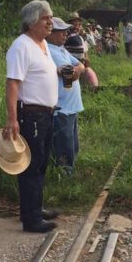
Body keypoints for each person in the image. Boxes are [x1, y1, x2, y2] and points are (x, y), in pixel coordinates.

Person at [3, 0, 60, 233]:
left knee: (41, 163)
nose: (50, 22)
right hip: (32, 115)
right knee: (31, 166)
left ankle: (35, 207)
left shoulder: (42, 45)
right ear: (32, 22)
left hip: (46, 114)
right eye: (46, 18)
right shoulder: (22, 46)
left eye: (50, 17)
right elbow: (13, 84)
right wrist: (12, 118)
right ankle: (31, 219)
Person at [47, 18, 85, 176]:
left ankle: (68, 174)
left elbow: (82, 65)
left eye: (66, 31)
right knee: (64, 146)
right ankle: (63, 178)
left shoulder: (61, 49)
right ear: (50, 33)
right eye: (60, 31)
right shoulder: (50, 51)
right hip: (62, 108)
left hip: (71, 107)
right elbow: (71, 77)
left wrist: (77, 69)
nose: (65, 34)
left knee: (73, 145)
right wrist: (75, 70)